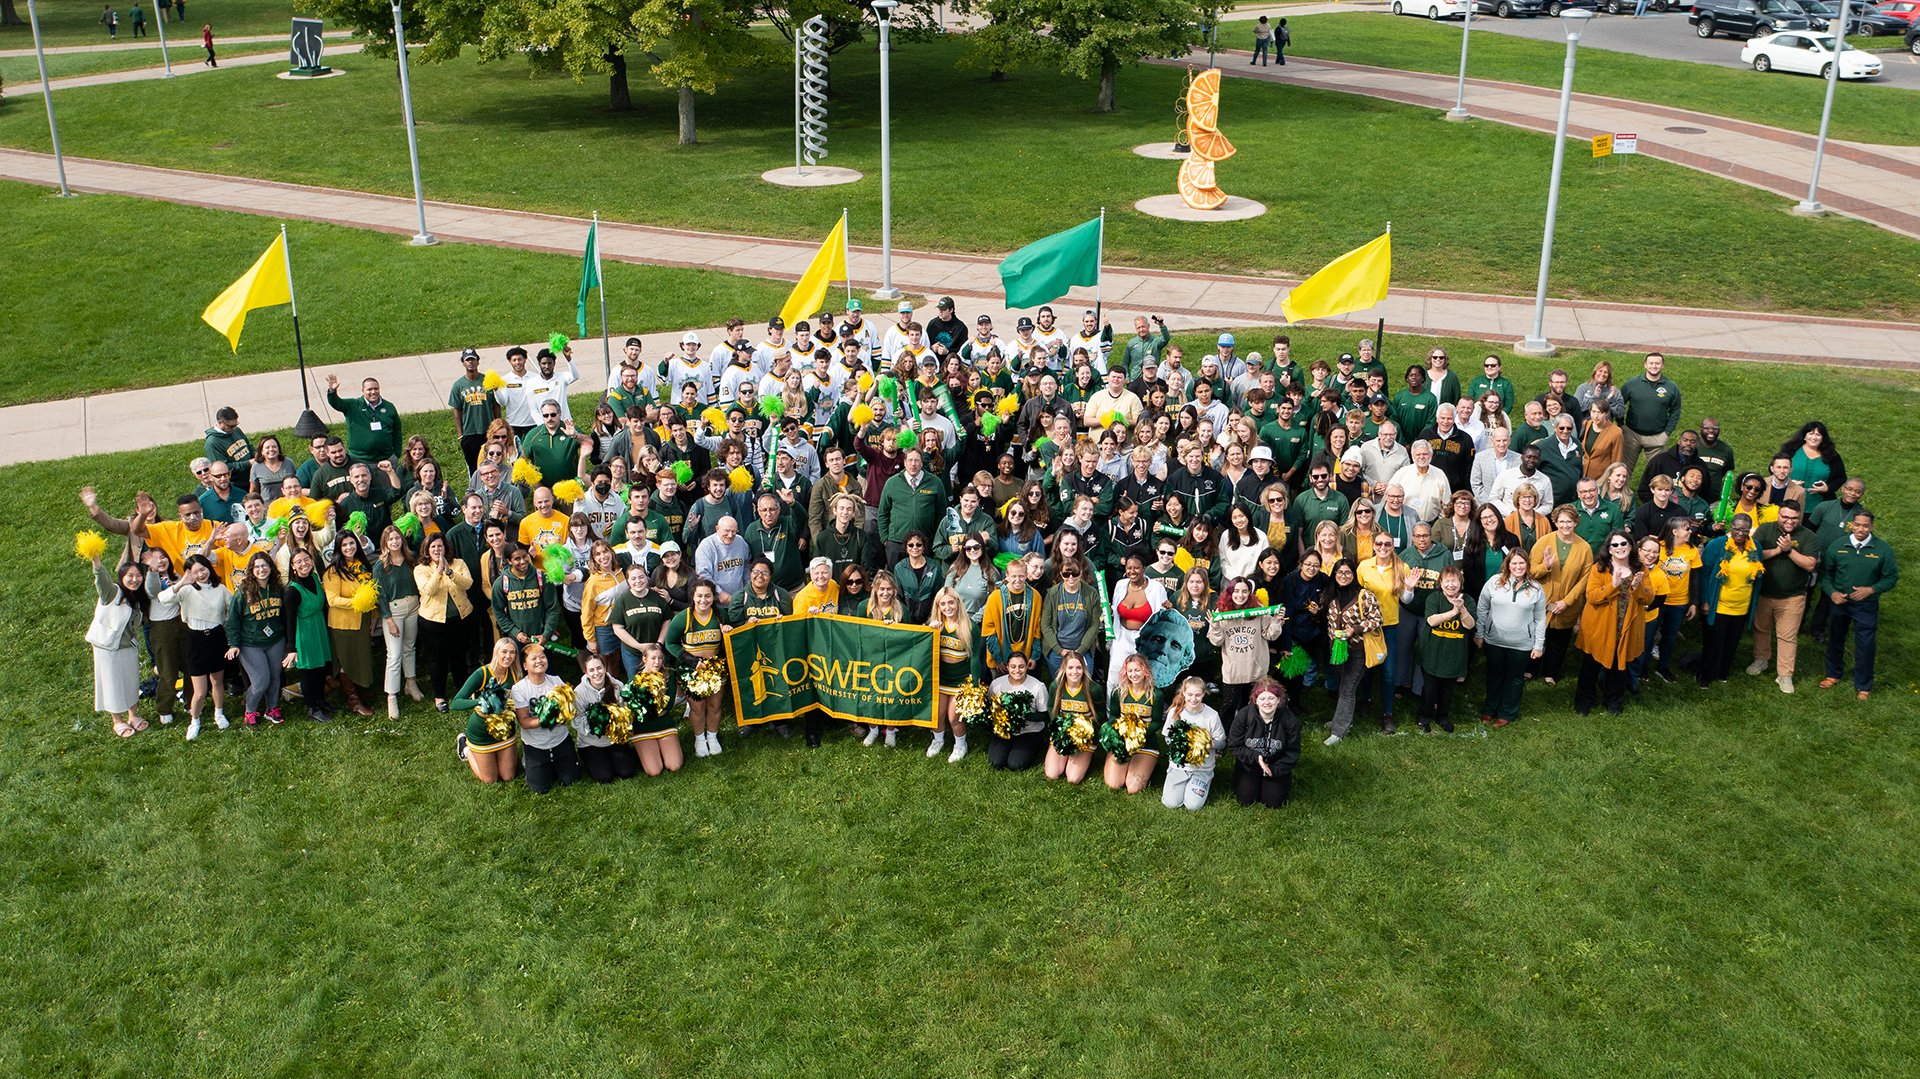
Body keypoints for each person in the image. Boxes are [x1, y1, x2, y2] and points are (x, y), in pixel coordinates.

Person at [1575, 530, 1658, 715]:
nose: (1620, 547)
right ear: (1609, 549)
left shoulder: (1640, 569)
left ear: (1630, 546)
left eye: (1623, 544)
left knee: (1618, 667)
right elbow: (1592, 596)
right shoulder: (1600, 568)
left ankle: (1613, 701)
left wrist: (1637, 588)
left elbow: (1649, 598)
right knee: (1591, 666)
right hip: (1600, 627)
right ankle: (1584, 702)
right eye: (1615, 545)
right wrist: (1613, 585)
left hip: (1625, 627)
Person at [1820, 510, 1897, 701]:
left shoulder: (1882, 550)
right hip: (1840, 602)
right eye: (1857, 524)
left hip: (1866, 605)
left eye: (1865, 525)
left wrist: (1871, 590)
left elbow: (1891, 578)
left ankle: (1863, 685)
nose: (1860, 529)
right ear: (1851, 525)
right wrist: (1833, 593)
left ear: (1872, 527)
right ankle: (1833, 674)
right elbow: (1825, 575)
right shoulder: (1838, 546)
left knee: (1866, 644)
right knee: (1836, 638)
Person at [1747, 501, 1818, 694]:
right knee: (1761, 628)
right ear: (1778, 515)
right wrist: (1778, 551)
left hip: (1792, 596)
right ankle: (1761, 659)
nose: (1789, 521)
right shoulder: (1765, 530)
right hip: (1763, 592)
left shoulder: (1808, 536)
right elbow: (1754, 554)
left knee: (1787, 636)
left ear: (1800, 517)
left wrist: (1789, 550)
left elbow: (1810, 564)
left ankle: (1785, 675)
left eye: (1794, 518)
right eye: (1785, 517)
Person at [159, 555, 232, 740]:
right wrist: (183, 581)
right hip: (195, 639)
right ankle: (195, 720)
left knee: (217, 681)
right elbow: (163, 598)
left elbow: (232, 608)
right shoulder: (186, 590)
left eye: (203, 569)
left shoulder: (221, 588)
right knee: (199, 691)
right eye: (194, 572)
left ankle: (219, 712)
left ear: (209, 568)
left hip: (216, 637)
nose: (200, 574)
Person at [86, 536, 149, 737]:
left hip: (128, 647)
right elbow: (102, 581)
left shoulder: (137, 599)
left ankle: (133, 715)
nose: (134, 579)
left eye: (138, 576)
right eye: (130, 576)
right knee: (112, 684)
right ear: (121, 576)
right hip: (108, 648)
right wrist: (96, 561)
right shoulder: (112, 593)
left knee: (131, 681)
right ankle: (117, 720)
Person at [1475, 550, 1545, 728]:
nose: (1518, 567)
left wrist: (1538, 644)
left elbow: (1540, 618)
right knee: (1494, 675)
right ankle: (1490, 709)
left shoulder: (1536, 588)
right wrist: (1479, 633)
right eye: (1514, 563)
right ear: (1507, 565)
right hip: (1494, 641)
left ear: (1527, 565)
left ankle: (1507, 712)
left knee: (1514, 678)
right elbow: (1482, 608)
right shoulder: (1494, 582)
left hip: (1521, 644)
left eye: (1522, 563)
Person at [1697, 513, 1763, 688]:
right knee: (1713, 642)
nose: (1740, 533)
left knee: (1732, 642)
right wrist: (1704, 600)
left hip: (1741, 605)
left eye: (1745, 530)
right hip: (1718, 605)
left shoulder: (1756, 548)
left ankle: (1723, 672)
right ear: (1730, 528)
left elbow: (1758, 575)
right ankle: (1705, 676)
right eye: (1737, 529)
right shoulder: (1717, 545)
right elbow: (1703, 574)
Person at [663, 578, 728, 755]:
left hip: (715, 668)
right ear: (693, 596)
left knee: (715, 705)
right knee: (697, 707)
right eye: (699, 596)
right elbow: (670, 643)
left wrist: (728, 632)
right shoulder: (683, 617)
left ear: (713, 597)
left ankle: (713, 736)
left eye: (707, 596)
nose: (703, 600)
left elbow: (730, 641)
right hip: (691, 669)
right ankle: (699, 739)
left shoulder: (721, 615)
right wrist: (691, 660)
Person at [1322, 558, 1383, 745]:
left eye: (1348, 572)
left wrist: (1353, 630)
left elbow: (1377, 619)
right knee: (1343, 686)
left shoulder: (1364, 595)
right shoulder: (1330, 594)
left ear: (1354, 574)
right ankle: (1340, 718)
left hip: (1358, 650)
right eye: (1340, 573)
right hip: (1338, 650)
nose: (1343, 576)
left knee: (1348, 689)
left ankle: (1338, 731)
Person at [1531, 505, 1593, 685]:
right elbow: (1531, 570)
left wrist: (1567, 601)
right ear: (1555, 522)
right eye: (1562, 521)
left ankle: (1551, 671)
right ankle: (1531, 668)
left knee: (1559, 640)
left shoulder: (1584, 548)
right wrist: (1546, 566)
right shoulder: (1544, 542)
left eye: (1569, 522)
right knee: (1538, 636)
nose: (1565, 525)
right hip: (1543, 601)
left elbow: (1584, 578)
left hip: (1567, 603)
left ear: (1575, 523)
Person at [1208, 576, 1285, 722]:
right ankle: (1224, 734)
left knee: (1252, 706)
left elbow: (1270, 635)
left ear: (1250, 593)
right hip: (1233, 671)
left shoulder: (1259, 609)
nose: (1240, 595)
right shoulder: (1221, 612)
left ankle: (1249, 732)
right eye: (1236, 591)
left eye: (1245, 591)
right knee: (1229, 705)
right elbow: (1216, 642)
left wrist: (1276, 621)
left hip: (1255, 670)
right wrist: (1215, 626)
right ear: (1230, 593)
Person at [414, 532, 473, 711]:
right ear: (427, 550)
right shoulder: (421, 569)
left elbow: (468, 584)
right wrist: (438, 572)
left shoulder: (459, 563)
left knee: (459, 657)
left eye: (440, 546)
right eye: (433, 547)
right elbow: (428, 590)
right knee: (437, 661)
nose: (437, 549)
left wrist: (450, 572)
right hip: (433, 623)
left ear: (445, 548)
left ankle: (462, 692)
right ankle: (440, 697)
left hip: (460, 619)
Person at [322, 532, 378, 717]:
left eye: (351, 543)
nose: (348, 548)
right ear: (338, 548)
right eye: (344, 545)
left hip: (363, 621)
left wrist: (374, 616)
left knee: (361, 657)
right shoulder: (333, 571)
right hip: (343, 624)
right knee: (346, 660)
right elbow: (332, 600)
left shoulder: (363, 566)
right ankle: (354, 701)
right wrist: (357, 602)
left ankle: (363, 690)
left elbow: (371, 594)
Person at [512, 644, 580, 793]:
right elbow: (524, 721)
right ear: (525, 665)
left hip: (560, 740)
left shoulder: (556, 681)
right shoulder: (519, 689)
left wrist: (564, 714)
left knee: (571, 780)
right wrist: (546, 719)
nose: (539, 661)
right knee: (540, 788)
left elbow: (568, 710)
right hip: (535, 745)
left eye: (542, 657)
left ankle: (559, 762)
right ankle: (529, 760)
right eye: (534, 658)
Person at [452, 637, 521, 783]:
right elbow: (455, 703)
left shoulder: (516, 674)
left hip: (505, 729)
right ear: (496, 652)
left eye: (512, 653)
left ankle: (495, 756)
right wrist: (480, 701)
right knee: (490, 780)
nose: (508, 656)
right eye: (504, 652)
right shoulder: (482, 673)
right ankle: (465, 748)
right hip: (481, 730)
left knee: (508, 777)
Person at [925, 588, 982, 761]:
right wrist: (929, 631)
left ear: (958, 602)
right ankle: (938, 740)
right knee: (937, 715)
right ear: (938, 606)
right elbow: (921, 647)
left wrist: (974, 687)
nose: (948, 607)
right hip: (940, 679)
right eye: (943, 604)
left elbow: (975, 658)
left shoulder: (969, 626)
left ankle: (960, 745)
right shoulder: (936, 625)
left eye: (951, 602)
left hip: (960, 680)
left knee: (954, 718)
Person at [1228, 678, 1301, 808]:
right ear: (1255, 701)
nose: (1267, 702)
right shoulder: (1244, 716)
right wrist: (1256, 757)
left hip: (1276, 767)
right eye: (1262, 699)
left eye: (1271, 698)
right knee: (1246, 800)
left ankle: (1278, 781)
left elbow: (1292, 751)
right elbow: (1235, 745)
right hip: (1249, 766)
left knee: (1273, 803)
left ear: (1279, 700)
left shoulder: (1289, 720)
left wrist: (1276, 769)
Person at [282, 548, 336, 723]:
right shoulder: (292, 591)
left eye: (306, 559)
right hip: (304, 632)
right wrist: (291, 648)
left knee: (320, 668)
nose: (304, 564)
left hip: (318, 627)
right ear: (293, 566)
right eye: (298, 561)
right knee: (309, 672)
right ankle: (312, 707)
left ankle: (320, 701)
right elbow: (289, 620)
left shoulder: (314, 578)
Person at [1160, 676, 1226, 811]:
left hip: (1202, 768)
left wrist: (1203, 744)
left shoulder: (1212, 715)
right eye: (1190, 694)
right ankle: (1176, 778)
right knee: (1170, 803)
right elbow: (1167, 737)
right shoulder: (1175, 712)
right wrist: (1179, 744)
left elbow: (1222, 743)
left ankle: (1206, 779)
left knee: (1193, 806)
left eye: (1198, 695)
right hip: (1179, 765)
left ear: (1204, 694)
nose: (1193, 699)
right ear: (1183, 693)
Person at [571, 653, 638, 783]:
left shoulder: (617, 685)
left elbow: (628, 713)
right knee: (604, 776)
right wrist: (598, 722)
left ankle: (628, 754)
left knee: (626, 772)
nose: (596, 673)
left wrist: (618, 721)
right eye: (591, 670)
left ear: (605, 668)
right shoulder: (579, 692)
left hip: (614, 739)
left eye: (599, 668)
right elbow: (576, 721)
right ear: (586, 672)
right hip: (591, 742)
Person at [1043, 651, 1102, 784]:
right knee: (1052, 774)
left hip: (1084, 738)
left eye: (1078, 668)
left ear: (1084, 669)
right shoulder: (1056, 686)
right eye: (1070, 668)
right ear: (1064, 668)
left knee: (1073, 778)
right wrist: (1060, 731)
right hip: (1063, 735)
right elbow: (1051, 709)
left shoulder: (1093, 689)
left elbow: (1101, 716)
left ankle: (1086, 757)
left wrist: (1086, 730)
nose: (1074, 672)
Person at [1620, 353, 1681, 480]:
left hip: (1657, 437)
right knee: (1623, 471)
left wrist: (1667, 433)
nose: (1654, 366)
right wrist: (1621, 426)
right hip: (1632, 435)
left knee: (1656, 474)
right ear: (1645, 365)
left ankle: (1652, 498)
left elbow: (1675, 411)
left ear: (1662, 365)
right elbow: (1619, 405)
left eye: (1657, 363)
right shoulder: (1632, 384)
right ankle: (1621, 497)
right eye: (1651, 363)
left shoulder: (1671, 387)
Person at [986, 651, 1049, 772]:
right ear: (1007, 666)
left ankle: (1034, 746)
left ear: (1027, 666)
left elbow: (1045, 715)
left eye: (1021, 666)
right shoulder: (997, 684)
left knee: (1015, 765)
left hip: (1029, 732)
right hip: (1005, 730)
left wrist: (1024, 715)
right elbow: (990, 707)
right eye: (1013, 666)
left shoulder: (1037, 687)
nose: (1017, 670)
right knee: (996, 762)